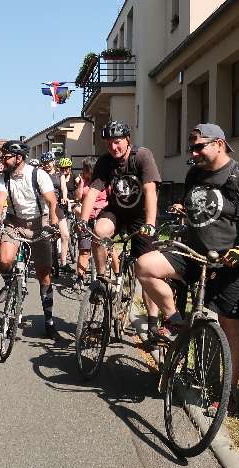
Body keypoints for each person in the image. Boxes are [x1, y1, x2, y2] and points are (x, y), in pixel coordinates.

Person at [137, 124, 239, 408]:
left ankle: (228, 392)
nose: (193, 153)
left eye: (198, 147)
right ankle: (175, 320)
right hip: (194, 255)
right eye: (191, 148)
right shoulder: (194, 174)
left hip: (231, 263)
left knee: (230, 326)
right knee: (145, 266)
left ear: (218, 144)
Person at [78, 121, 162, 331]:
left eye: (117, 142)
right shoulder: (105, 161)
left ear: (127, 140)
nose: (113, 147)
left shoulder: (141, 156)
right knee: (99, 231)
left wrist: (150, 223)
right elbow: (93, 192)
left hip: (141, 216)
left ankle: (152, 323)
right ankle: (102, 280)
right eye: (109, 144)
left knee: (147, 269)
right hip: (116, 211)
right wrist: (82, 221)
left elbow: (150, 191)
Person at [0, 141, 60, 342]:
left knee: (44, 275)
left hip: (39, 224)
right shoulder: (4, 177)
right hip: (14, 223)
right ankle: (10, 285)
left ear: (18, 157)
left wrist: (53, 220)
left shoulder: (38, 174)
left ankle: (49, 321)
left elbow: (51, 200)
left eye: (6, 157)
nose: (3, 160)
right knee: (4, 260)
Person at [73, 161, 111, 282]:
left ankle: (116, 277)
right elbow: (77, 198)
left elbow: (111, 197)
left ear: (90, 169)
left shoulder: (103, 181)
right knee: (84, 250)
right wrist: (81, 184)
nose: (82, 171)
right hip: (87, 219)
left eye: (85, 169)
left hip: (102, 217)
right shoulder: (83, 181)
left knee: (107, 248)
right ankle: (80, 277)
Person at [40, 152, 71, 271]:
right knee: (44, 236)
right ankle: (46, 261)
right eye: (44, 163)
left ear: (53, 162)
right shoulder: (40, 174)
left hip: (57, 205)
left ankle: (63, 262)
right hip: (43, 206)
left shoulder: (60, 175)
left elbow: (63, 188)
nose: (47, 165)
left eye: (48, 162)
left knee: (65, 235)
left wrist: (65, 197)